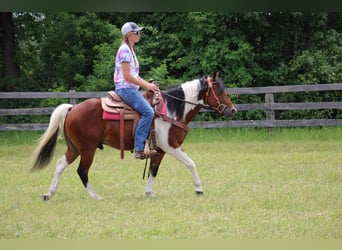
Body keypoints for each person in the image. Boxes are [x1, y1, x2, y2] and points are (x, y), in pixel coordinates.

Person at [113, 22, 159, 160]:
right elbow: (127, 76)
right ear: (129, 35)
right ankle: (139, 148)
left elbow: (135, 75)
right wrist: (146, 86)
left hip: (130, 88)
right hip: (125, 88)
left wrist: (148, 85)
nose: (139, 34)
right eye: (137, 32)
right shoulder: (125, 50)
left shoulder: (130, 50)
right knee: (148, 112)